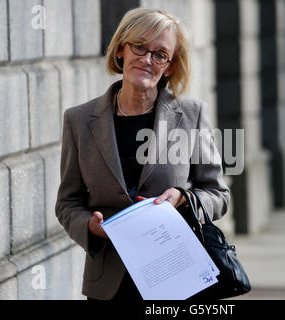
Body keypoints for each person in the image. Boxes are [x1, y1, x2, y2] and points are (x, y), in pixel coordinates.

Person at [55, 7, 230, 301]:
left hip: (178, 278)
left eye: (160, 54)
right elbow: (67, 202)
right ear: (121, 50)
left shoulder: (191, 115)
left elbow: (218, 194)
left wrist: (183, 198)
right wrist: (91, 227)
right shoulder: (79, 120)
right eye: (139, 46)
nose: (147, 59)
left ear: (170, 66)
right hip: (109, 284)